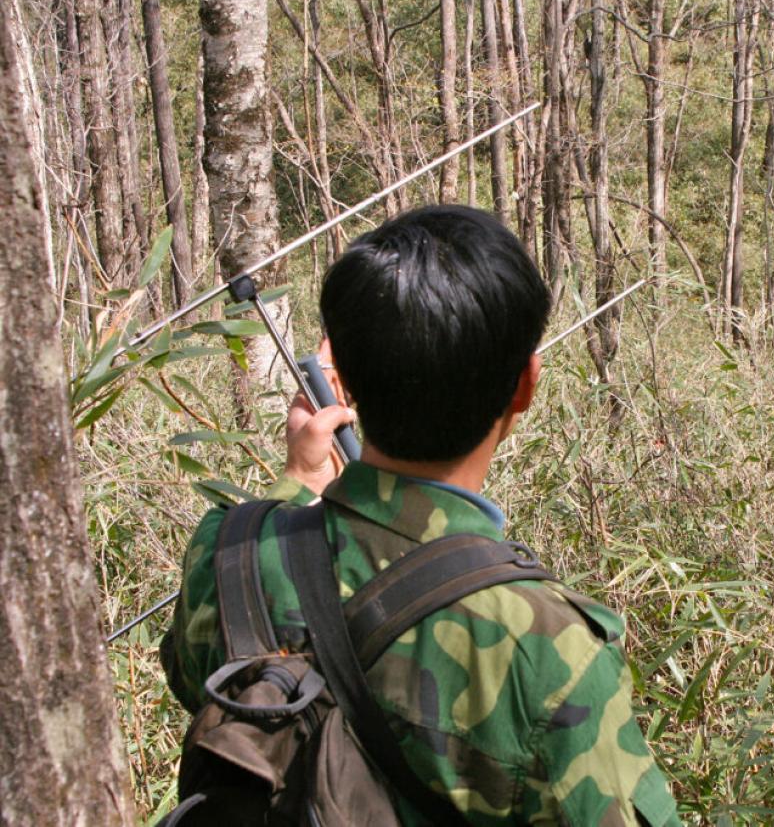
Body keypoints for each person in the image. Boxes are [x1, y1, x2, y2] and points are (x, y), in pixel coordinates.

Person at [160, 205, 681, 826]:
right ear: (526, 386)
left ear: (344, 382)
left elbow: (196, 681)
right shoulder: (547, 648)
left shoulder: (227, 551)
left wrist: (298, 482)